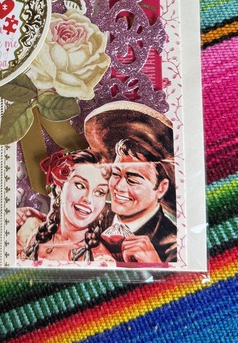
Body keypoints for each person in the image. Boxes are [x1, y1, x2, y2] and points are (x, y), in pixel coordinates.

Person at [84, 101, 177, 264]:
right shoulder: (88, 213)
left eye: (132, 180)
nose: (118, 187)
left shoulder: (174, 247)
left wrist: (155, 264)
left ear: (161, 188)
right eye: (115, 174)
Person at [17, 149, 113, 262]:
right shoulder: (35, 233)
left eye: (99, 192)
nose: (88, 199)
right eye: (80, 186)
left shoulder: (99, 258)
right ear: (59, 187)